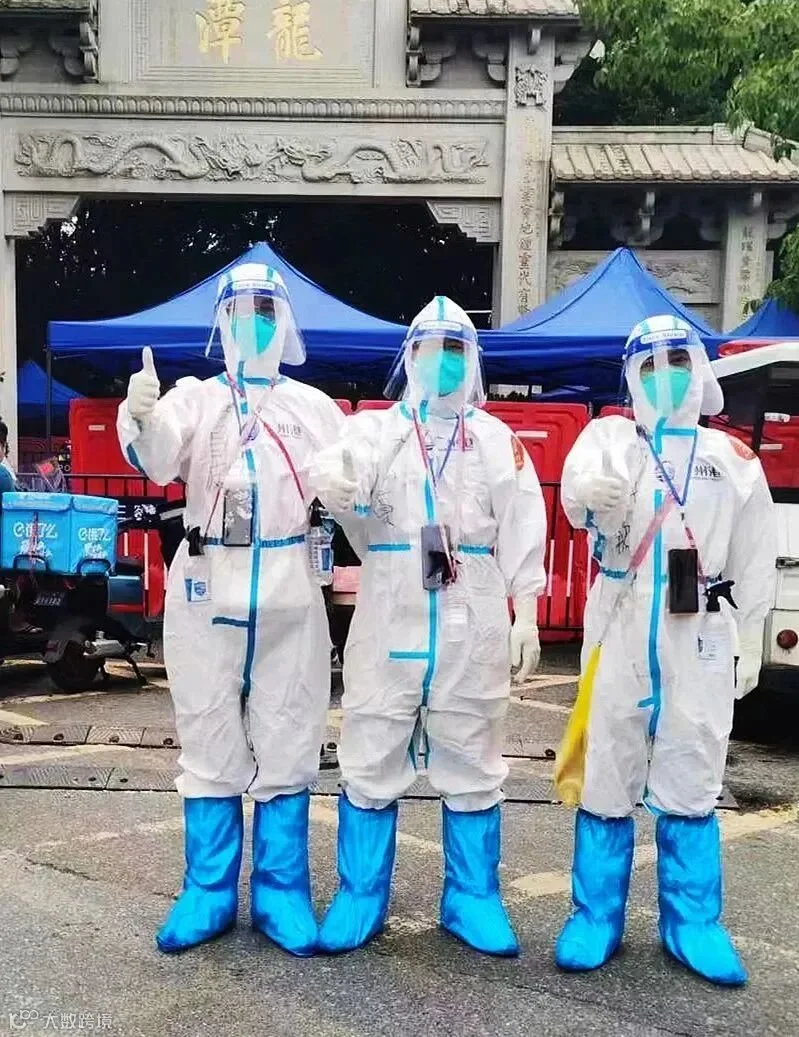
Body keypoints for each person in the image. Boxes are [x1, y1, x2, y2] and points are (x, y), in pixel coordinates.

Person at [117, 262, 345, 956]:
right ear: (222, 321)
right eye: (241, 311)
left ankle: (281, 891)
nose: (254, 323)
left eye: (266, 311)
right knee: (208, 729)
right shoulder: (198, 398)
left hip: (288, 584)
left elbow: (353, 482)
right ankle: (208, 890)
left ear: (286, 322)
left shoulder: (313, 408)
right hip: (207, 580)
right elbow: (159, 458)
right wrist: (140, 414)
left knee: (290, 730)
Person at [309, 296, 547, 957]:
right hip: (391, 601)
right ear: (409, 356)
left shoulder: (496, 441)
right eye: (430, 347)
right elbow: (346, 485)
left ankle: (473, 897)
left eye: (456, 348)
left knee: (472, 747)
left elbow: (524, 523)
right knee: (372, 737)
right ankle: (360, 893)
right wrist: (338, 483)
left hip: (472, 607)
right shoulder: (375, 431)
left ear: (472, 359)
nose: (443, 361)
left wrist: (527, 610)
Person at [555, 314, 776, 986]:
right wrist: (585, 494)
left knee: (693, 763)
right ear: (629, 374)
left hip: (699, 627)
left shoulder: (731, 459)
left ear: (698, 369)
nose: (663, 376)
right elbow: (574, 498)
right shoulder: (608, 438)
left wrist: (751, 634)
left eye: (676, 361)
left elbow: (756, 552)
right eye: (647, 365)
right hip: (621, 618)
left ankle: (693, 922)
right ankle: (595, 915)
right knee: (607, 765)